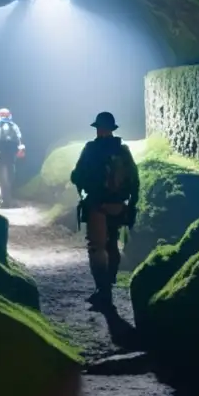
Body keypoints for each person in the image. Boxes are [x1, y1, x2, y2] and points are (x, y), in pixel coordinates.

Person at [70, 111, 139, 304]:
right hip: (118, 205)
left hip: (97, 205)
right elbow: (134, 179)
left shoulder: (91, 149)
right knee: (112, 244)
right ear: (112, 129)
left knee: (97, 247)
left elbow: (77, 175)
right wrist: (132, 204)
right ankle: (110, 281)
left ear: (98, 129)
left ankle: (103, 289)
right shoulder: (123, 150)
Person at [0, 108, 25, 208]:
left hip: (10, 155)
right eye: (2, 115)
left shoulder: (13, 126)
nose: (5, 117)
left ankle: (7, 199)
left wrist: (20, 149)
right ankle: (6, 200)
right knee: (3, 178)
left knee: (10, 177)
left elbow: (19, 139)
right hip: (0, 154)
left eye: (6, 115)